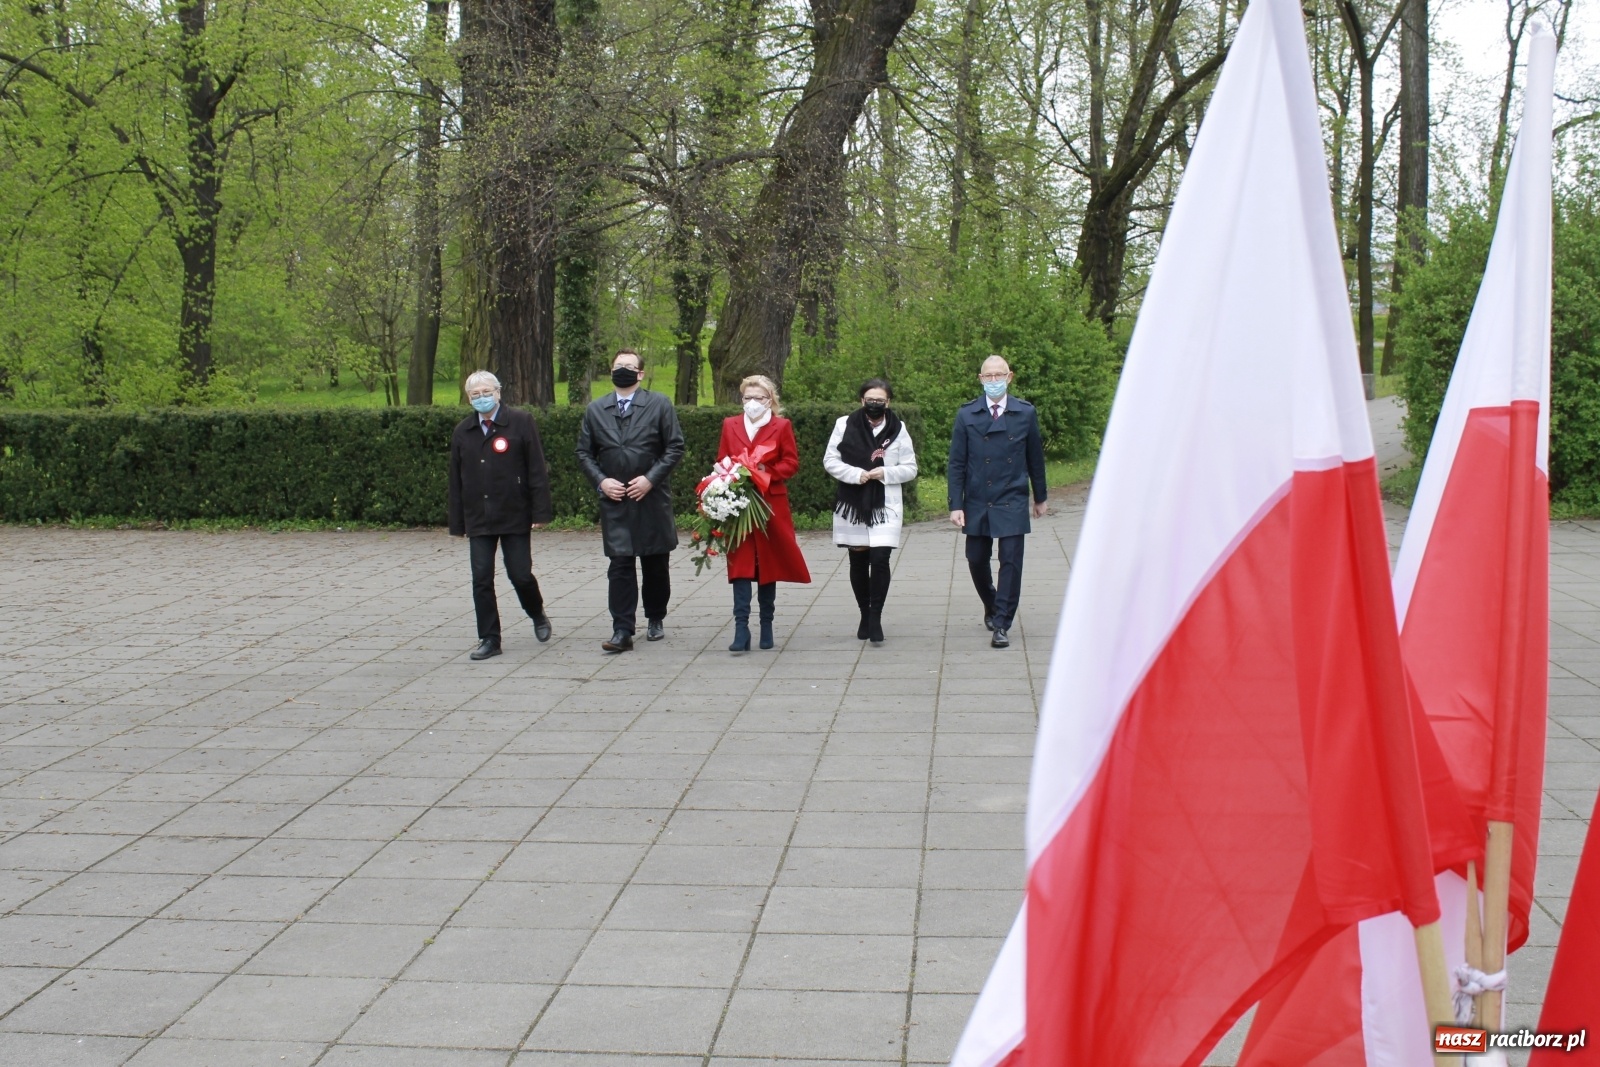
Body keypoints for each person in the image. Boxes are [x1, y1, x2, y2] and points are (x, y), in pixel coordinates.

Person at [576, 349, 685, 653]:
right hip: (616, 500)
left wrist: (650, 479)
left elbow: (674, 447)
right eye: (617, 365)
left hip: (651, 498)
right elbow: (584, 452)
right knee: (620, 565)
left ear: (640, 374)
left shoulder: (659, 404)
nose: (622, 370)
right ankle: (622, 629)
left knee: (655, 564)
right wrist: (601, 481)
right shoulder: (596, 409)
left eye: (629, 366)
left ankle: (655, 616)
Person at [447, 370, 555, 661]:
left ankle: (536, 612)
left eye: (486, 392)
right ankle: (489, 638)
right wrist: (457, 522)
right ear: (468, 398)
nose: (481, 398)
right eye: (475, 394)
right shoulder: (463, 431)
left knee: (520, 574)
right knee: (481, 579)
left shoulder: (521, 421)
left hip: (514, 512)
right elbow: (456, 479)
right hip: (478, 516)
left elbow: (536, 468)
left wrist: (540, 510)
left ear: (498, 392)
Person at [947, 355, 1048, 649]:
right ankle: (991, 602)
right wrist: (955, 504)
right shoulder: (967, 414)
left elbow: (1035, 458)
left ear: (1009, 377)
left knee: (1011, 561)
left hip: (1012, 496)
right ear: (981, 379)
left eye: (999, 375)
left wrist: (1040, 497)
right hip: (977, 498)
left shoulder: (1025, 413)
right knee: (976, 558)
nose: (994, 381)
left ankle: (1002, 622)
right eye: (988, 376)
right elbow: (957, 462)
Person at [718, 375, 811, 652]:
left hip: (770, 503)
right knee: (740, 564)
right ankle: (741, 628)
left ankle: (766, 625)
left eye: (758, 397)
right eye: (747, 397)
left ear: (769, 400)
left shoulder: (781, 426)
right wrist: (731, 475)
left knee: (767, 564)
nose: (752, 402)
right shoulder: (730, 424)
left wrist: (765, 472)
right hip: (737, 504)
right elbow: (721, 458)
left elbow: (791, 462)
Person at [824, 378, 918, 644]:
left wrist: (885, 472)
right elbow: (830, 460)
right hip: (853, 502)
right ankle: (864, 614)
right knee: (858, 559)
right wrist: (857, 474)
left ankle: (875, 616)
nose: (875, 404)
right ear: (861, 400)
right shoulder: (844, 424)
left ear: (888, 402)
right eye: (870, 399)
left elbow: (910, 468)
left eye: (880, 400)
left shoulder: (898, 428)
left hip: (885, 503)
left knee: (880, 558)